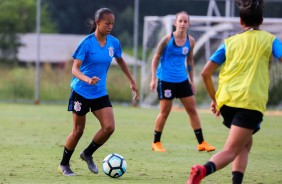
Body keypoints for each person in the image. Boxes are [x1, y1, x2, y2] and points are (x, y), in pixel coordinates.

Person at [187, 0, 282, 183]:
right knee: (231, 150)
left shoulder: (229, 43)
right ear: (261, 20)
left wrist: (215, 99)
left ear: (240, 21)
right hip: (249, 103)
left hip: (227, 102)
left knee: (245, 143)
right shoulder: (270, 40)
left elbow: (205, 73)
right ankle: (201, 171)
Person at [58, 8, 139, 176]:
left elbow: (121, 60)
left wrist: (131, 80)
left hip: (100, 92)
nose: (110, 26)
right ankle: (64, 164)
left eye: (112, 24)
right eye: (107, 23)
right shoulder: (87, 43)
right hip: (81, 92)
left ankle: (87, 153)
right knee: (78, 131)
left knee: (109, 127)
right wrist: (87, 79)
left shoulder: (113, 43)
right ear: (98, 23)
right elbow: (74, 69)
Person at [150, 11, 216, 153]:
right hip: (166, 80)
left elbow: (190, 60)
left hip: (182, 80)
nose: (182, 23)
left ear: (189, 24)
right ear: (175, 23)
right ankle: (156, 142)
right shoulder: (167, 40)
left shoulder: (191, 41)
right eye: (180, 21)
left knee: (192, 110)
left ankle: (202, 143)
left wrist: (191, 81)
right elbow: (155, 58)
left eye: (185, 21)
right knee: (165, 111)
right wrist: (153, 79)